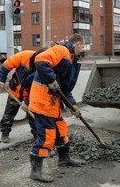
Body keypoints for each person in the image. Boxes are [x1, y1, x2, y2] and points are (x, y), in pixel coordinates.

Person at [28, 33, 85, 183]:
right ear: (78, 44)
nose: (83, 50)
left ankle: (64, 159)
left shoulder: (72, 59)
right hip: (43, 100)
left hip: (53, 103)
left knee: (61, 130)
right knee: (47, 136)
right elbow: (40, 60)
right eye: (83, 47)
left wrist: (72, 106)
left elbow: (65, 89)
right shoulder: (62, 51)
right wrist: (51, 80)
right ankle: (36, 171)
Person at [0, 48, 46, 143]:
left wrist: (27, 102)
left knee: (32, 114)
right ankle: (5, 133)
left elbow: (39, 89)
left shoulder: (43, 67)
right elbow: (6, 66)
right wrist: (1, 79)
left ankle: (37, 136)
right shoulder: (24, 56)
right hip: (15, 89)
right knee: (9, 113)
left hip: (30, 94)